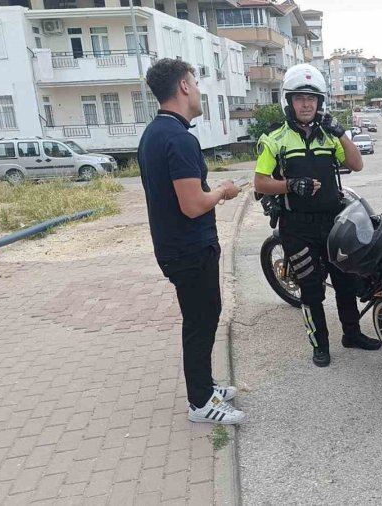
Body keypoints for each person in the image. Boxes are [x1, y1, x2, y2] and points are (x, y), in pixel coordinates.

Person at [138, 58, 246, 424]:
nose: (198, 90)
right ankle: (200, 403)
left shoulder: (155, 133)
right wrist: (223, 192)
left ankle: (205, 386)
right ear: (184, 86)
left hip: (177, 248)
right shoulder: (180, 138)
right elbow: (193, 204)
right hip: (189, 250)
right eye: (195, 83)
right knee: (200, 322)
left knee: (203, 317)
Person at [254, 64, 381, 368]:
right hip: (297, 227)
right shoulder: (275, 138)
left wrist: (341, 133)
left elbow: (356, 164)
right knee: (311, 289)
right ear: (289, 101)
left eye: (312, 99)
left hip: (333, 223)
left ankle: (352, 334)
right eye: (300, 98)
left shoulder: (329, 136)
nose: (306, 104)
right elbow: (260, 183)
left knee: (346, 281)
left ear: (320, 102)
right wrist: (290, 185)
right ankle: (319, 345)